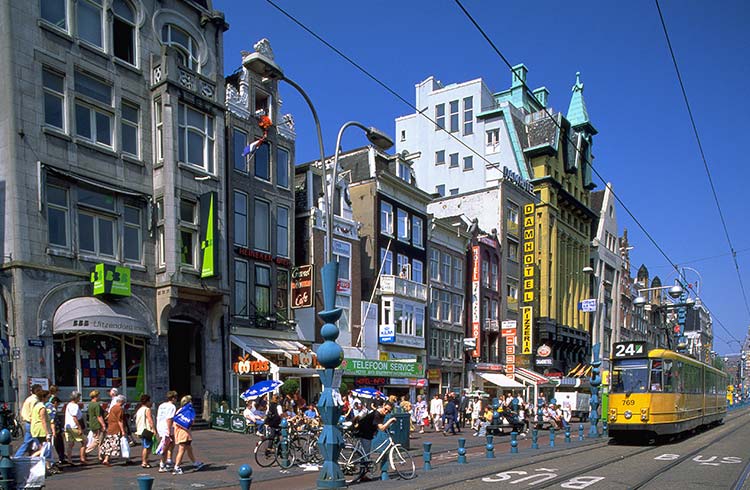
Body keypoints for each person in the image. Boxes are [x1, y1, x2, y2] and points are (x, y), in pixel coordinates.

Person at [353, 401, 397, 470]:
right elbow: (382, 428)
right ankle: (360, 472)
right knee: (366, 454)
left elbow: (379, 425)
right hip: (364, 433)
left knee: (364, 454)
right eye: (385, 409)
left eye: (388, 411)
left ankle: (362, 472)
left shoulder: (382, 414)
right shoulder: (377, 414)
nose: (386, 412)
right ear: (383, 405)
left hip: (368, 433)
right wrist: (390, 420)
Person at [171, 395, 204, 475]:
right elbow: (191, 422)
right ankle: (177, 467)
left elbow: (175, 422)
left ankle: (195, 463)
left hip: (182, 432)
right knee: (181, 450)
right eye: (191, 401)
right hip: (184, 433)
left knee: (189, 448)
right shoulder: (188, 411)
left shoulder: (180, 410)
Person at [30, 390, 59, 475]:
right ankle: (31, 459)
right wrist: (47, 433)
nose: (49, 398)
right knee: (44, 449)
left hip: (36, 429)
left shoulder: (36, 405)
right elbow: (43, 421)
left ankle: (47, 467)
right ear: (43, 397)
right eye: (47, 397)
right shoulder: (42, 407)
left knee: (44, 449)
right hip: (40, 430)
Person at [14, 383, 42, 458]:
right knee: (41, 444)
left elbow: (23, 411)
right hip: (33, 423)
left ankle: (17, 457)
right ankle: (47, 462)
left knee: (27, 443)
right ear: (37, 391)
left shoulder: (28, 399)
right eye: (41, 390)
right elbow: (36, 412)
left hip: (28, 422)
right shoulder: (35, 400)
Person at [156, 391, 178, 472]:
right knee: (165, 446)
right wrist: (168, 430)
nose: (176, 399)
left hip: (160, 426)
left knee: (171, 443)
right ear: (173, 398)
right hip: (166, 427)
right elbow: (169, 419)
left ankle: (168, 460)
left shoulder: (162, 405)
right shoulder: (172, 406)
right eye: (176, 398)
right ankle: (162, 464)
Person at [101, 395, 125, 467]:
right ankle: (126, 458)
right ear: (122, 401)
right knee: (115, 444)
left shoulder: (112, 408)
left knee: (109, 444)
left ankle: (106, 459)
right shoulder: (119, 409)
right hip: (116, 428)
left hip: (110, 428)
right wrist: (123, 430)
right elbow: (119, 420)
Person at [64, 391, 87, 465]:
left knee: (70, 443)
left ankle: (69, 459)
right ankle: (82, 459)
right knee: (84, 441)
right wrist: (79, 428)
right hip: (74, 426)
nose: (79, 399)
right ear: (76, 398)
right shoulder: (75, 406)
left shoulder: (69, 405)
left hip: (68, 426)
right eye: (79, 397)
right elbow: (75, 418)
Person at [135, 394, 155, 468]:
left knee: (145, 446)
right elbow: (150, 420)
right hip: (146, 430)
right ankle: (144, 461)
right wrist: (154, 429)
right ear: (147, 401)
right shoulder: (147, 409)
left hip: (140, 430)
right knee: (147, 446)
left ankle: (145, 460)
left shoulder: (139, 409)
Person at [86, 390, 105, 460]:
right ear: (96, 396)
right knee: (98, 440)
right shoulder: (96, 405)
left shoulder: (90, 404)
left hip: (92, 423)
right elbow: (99, 416)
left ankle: (100, 455)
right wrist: (103, 424)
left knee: (99, 440)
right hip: (97, 424)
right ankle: (86, 451)